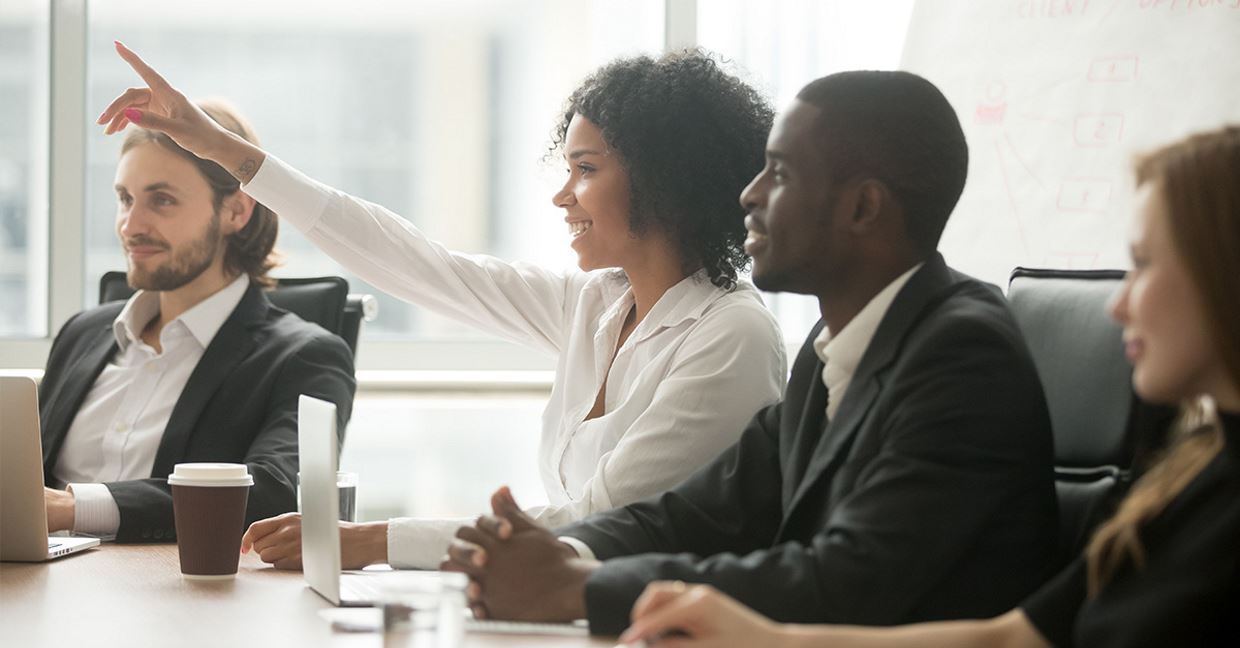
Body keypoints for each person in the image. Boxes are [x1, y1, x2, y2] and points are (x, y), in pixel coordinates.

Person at [99, 43, 786, 570]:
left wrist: (372, 541)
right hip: (574, 615)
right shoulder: (597, 305)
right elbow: (418, 266)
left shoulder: (731, 335)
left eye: (586, 169)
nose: (562, 196)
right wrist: (222, 149)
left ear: (665, 180)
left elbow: (601, 522)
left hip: (663, 639)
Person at [619, 125, 1240, 648]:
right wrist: (768, 641)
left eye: (1149, 264)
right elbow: (1013, 646)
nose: (1118, 305)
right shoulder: (1192, 476)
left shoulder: (958, 349)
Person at [441, 70, 1058, 636]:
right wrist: (561, 553)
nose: (749, 195)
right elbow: (695, 514)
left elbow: (843, 579)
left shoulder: (961, 355)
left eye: (781, 174)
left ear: (863, 208)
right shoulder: (833, 354)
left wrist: (583, 587)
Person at [40, 100, 356, 543]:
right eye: (125, 199)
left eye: (162, 200)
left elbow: (274, 491)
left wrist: (73, 508)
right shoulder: (83, 333)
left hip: (175, 593)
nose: (131, 225)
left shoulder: (304, 357)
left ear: (235, 212)